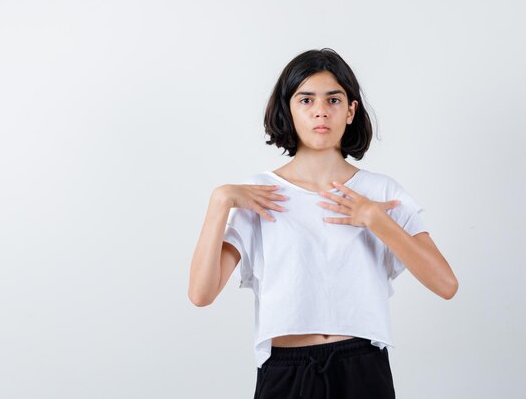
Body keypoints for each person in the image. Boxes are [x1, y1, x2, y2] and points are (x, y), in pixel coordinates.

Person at [188, 48, 458, 399]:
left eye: (333, 99)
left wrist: (375, 219)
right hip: (285, 369)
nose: (320, 110)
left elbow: (446, 284)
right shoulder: (259, 194)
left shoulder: (380, 192)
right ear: (288, 109)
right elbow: (201, 294)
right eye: (306, 100)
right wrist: (219, 201)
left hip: (362, 366)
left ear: (350, 111)